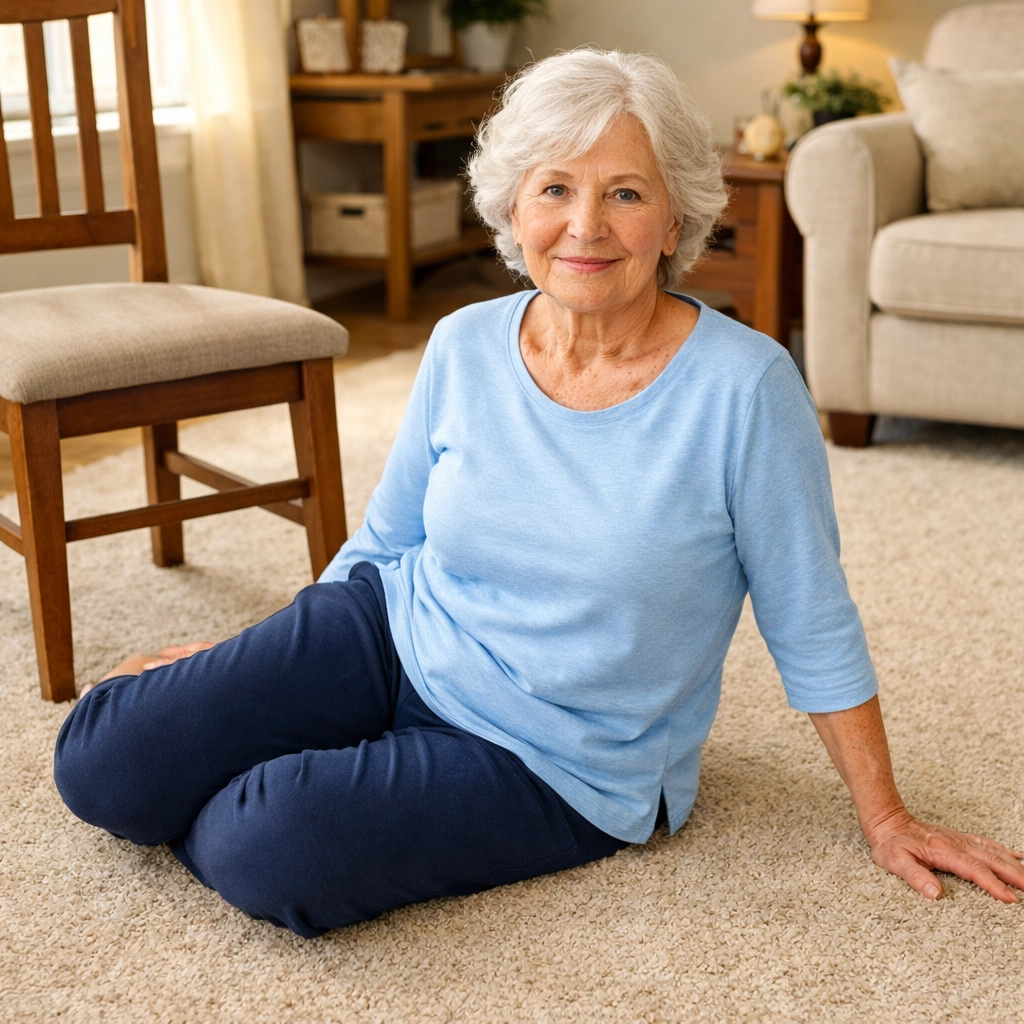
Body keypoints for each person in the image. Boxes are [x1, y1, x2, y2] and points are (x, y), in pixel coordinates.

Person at [54, 49, 1024, 938]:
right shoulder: (465, 342)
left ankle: (275, 776)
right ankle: (259, 738)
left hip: (556, 757)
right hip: (395, 629)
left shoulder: (747, 389)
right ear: (515, 209)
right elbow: (387, 539)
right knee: (103, 758)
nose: (585, 225)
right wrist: (250, 661)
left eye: (624, 193)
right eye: (554, 188)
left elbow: (809, 616)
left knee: (263, 845)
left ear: (674, 216)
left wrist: (886, 814)